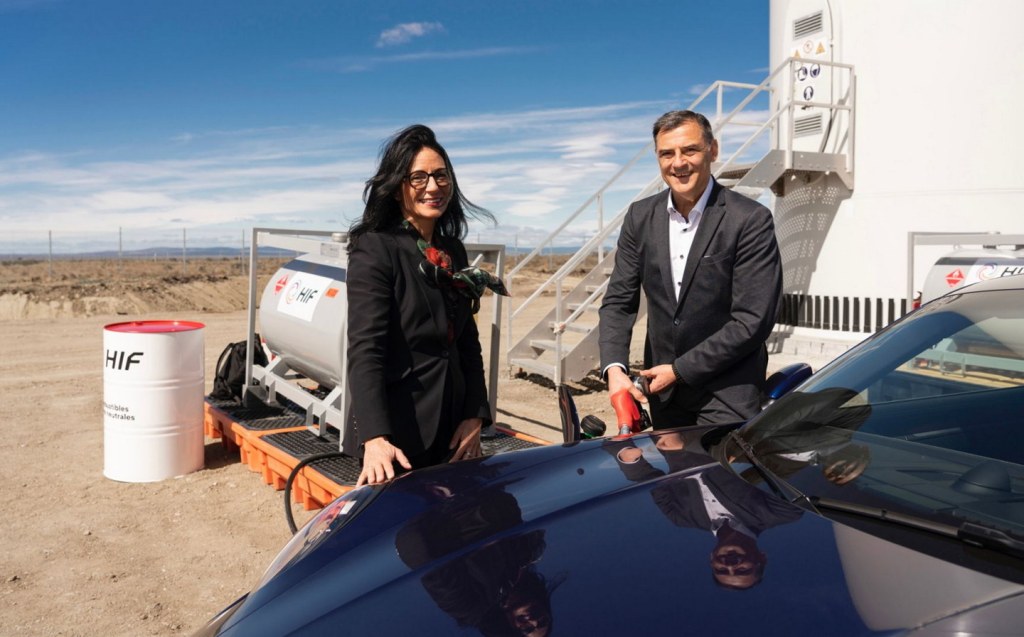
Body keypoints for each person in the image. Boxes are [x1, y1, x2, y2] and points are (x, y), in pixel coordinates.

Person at [599, 109, 783, 428]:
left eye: (690, 150)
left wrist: (680, 370)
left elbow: (753, 319)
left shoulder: (749, 219)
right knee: (672, 478)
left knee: (721, 478)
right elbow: (618, 301)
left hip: (728, 395)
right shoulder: (639, 217)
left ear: (712, 150)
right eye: (667, 153)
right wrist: (614, 370)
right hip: (664, 394)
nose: (678, 163)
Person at [347, 124, 507, 487]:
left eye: (440, 176)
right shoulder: (376, 249)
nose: (432, 187)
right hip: (400, 433)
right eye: (418, 177)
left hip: (454, 427)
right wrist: (374, 438)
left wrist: (475, 415)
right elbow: (365, 349)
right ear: (396, 185)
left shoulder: (452, 251)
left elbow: (467, 341)